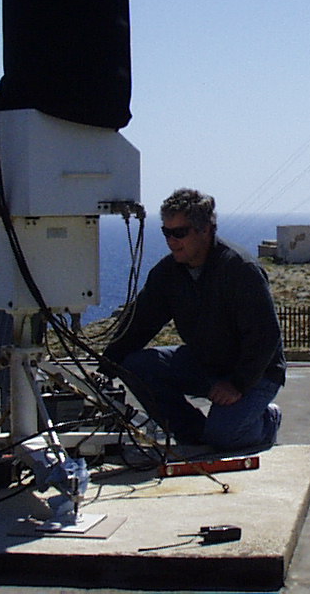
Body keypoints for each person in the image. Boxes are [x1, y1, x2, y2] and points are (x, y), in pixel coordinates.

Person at [102, 188, 285, 451]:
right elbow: (142, 323)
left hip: (255, 372)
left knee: (225, 439)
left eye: (180, 233)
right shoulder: (168, 273)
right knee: (138, 365)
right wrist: (108, 363)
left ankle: (267, 421)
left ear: (205, 230)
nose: (172, 241)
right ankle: (195, 433)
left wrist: (237, 384)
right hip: (205, 363)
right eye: (167, 232)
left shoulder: (240, 270)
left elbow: (265, 336)